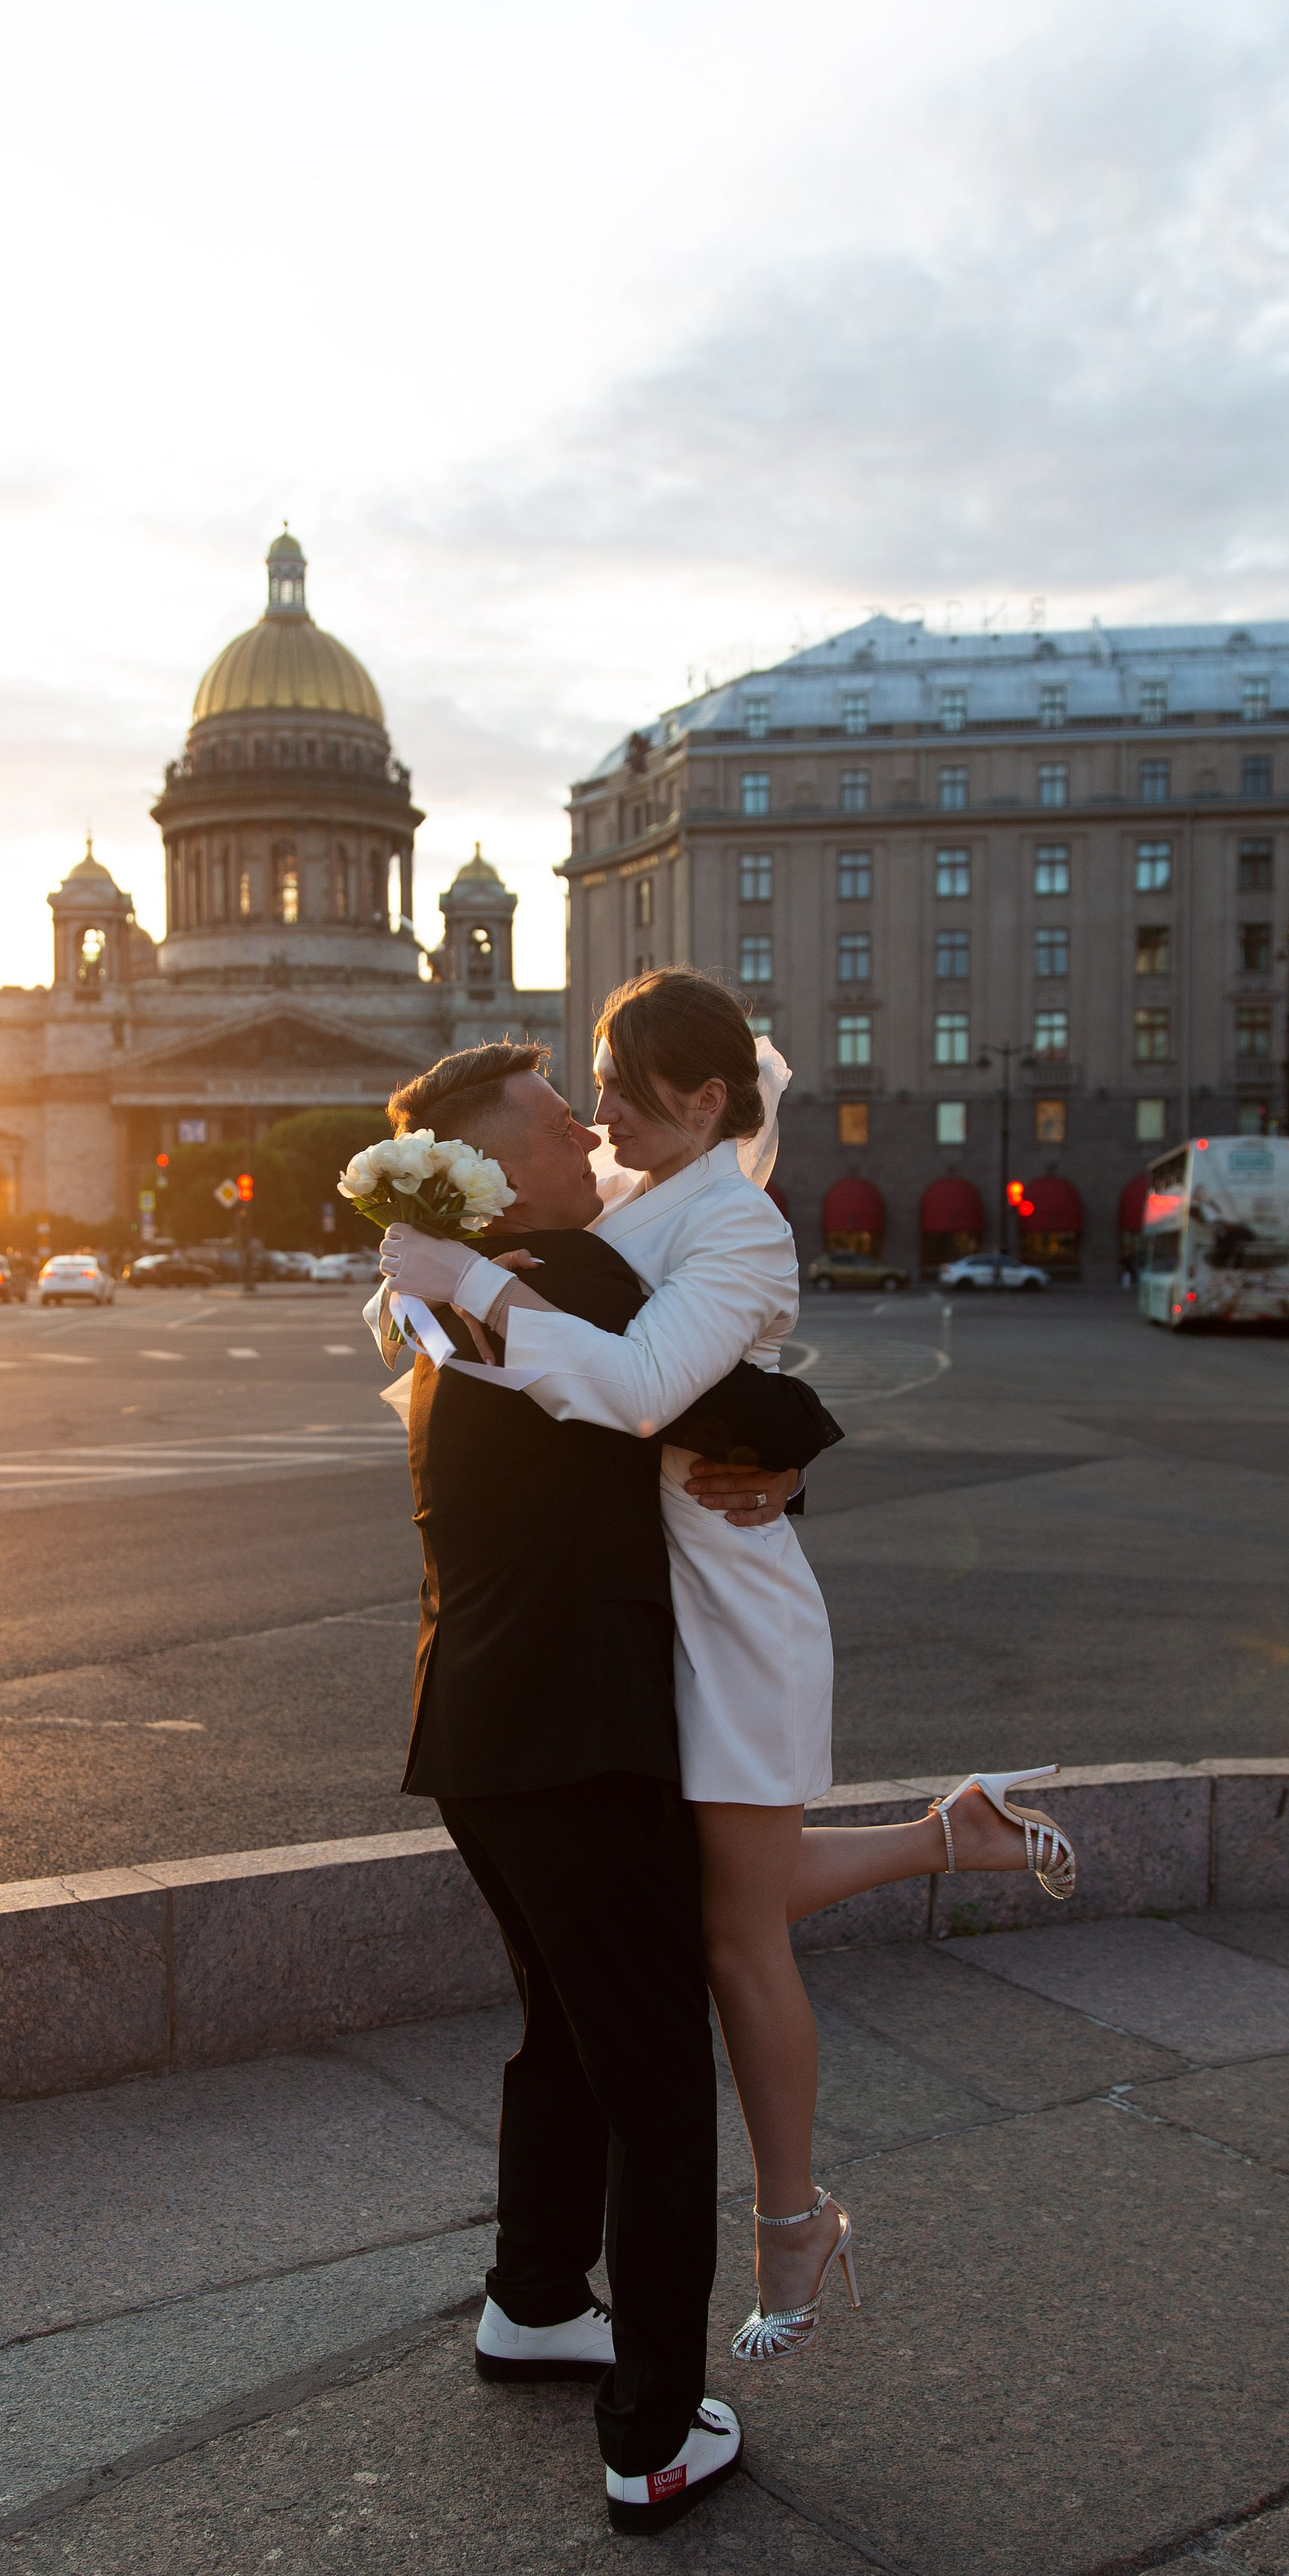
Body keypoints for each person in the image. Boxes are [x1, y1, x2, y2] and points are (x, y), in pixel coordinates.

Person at [377, 979, 1075, 2364]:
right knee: (712, 1913)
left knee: (734, 1933)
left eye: (624, 1086)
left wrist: (467, 1281)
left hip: (726, 1611)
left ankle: (791, 2223)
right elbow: (584, 1339)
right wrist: (442, 1271)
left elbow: (649, 1388)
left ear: (706, 1100)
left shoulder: (737, 1221)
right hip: (640, 1609)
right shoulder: (614, 1208)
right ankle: (956, 1834)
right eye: (584, 1089)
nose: (598, 1112)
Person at [377, 1037, 845, 2534]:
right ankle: (651, 2430)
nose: (588, 1129)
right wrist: (799, 1459)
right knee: (653, 2075)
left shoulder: (439, 1291)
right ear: (502, 1173)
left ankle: (532, 2298)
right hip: (578, 1741)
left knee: (565, 2035)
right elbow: (738, 1406)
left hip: (475, 1731)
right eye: (557, 1119)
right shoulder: (562, 1268)